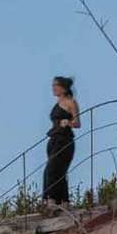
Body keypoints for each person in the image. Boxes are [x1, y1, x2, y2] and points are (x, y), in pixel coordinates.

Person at [43, 76, 80, 204]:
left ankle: (53, 199)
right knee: (52, 169)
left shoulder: (71, 102)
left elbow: (77, 123)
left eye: (56, 85)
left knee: (55, 169)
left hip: (64, 139)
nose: (53, 88)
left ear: (63, 88)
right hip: (54, 139)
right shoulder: (57, 104)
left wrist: (68, 122)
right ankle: (62, 201)